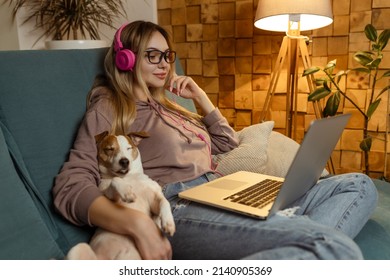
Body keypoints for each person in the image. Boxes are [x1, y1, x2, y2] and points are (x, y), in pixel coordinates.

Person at [53, 20, 378, 260]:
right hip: (180, 205)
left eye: (168, 55)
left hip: (226, 190)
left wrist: (200, 97)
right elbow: (71, 183)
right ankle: (304, 240)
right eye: (153, 55)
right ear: (126, 59)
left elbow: (226, 145)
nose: (165, 63)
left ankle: (293, 240)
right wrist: (136, 225)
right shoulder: (110, 107)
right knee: (334, 247)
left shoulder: (170, 107)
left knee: (358, 185)